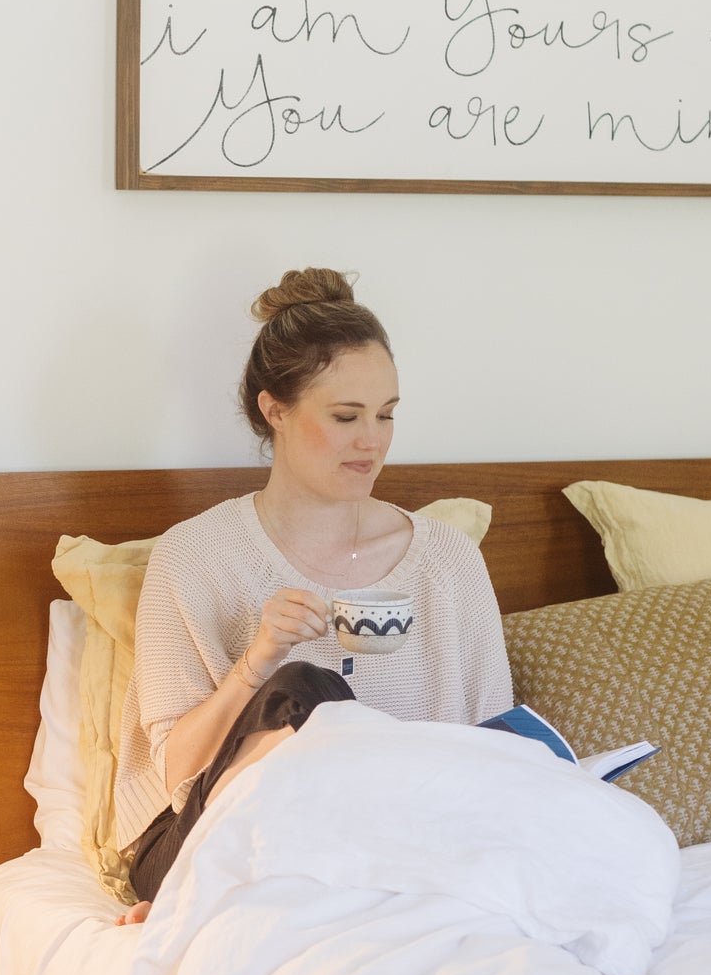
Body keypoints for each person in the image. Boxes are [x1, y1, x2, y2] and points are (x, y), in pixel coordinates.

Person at [115, 267, 513, 922]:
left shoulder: (446, 561)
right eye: (345, 416)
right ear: (275, 409)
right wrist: (256, 661)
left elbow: (490, 741)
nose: (372, 440)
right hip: (204, 842)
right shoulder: (194, 557)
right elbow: (174, 774)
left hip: (403, 838)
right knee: (307, 690)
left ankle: (341, 885)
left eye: (385, 415)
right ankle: (212, 894)